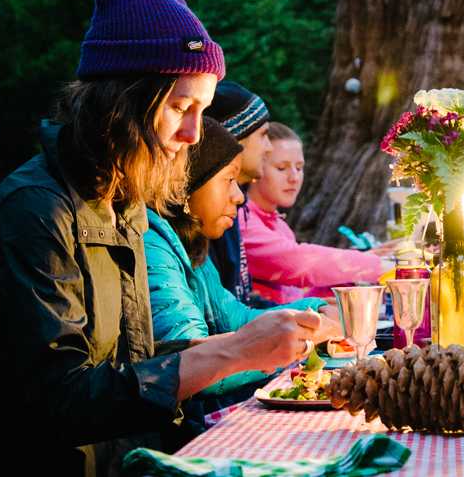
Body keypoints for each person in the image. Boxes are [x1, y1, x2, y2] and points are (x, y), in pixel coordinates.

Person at [0, 0, 327, 477]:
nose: (193, 135)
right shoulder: (36, 210)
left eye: (202, 111)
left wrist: (274, 334)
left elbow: (144, 357)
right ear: (122, 102)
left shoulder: (124, 205)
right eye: (180, 107)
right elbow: (64, 397)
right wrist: (235, 350)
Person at [144, 117, 338, 425]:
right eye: (228, 179)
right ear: (187, 183)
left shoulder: (192, 250)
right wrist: (288, 346)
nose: (239, 196)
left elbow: (235, 318)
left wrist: (314, 312)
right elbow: (193, 369)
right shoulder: (152, 246)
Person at [241, 122, 388, 305]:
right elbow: (296, 263)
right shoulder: (241, 220)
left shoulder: (280, 225)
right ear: (255, 167)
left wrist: (351, 277)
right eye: (281, 168)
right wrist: (378, 265)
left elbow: (295, 297)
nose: (294, 178)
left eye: (299, 167)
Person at [203, 80, 272, 304]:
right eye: (263, 135)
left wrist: (310, 311)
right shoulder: (205, 219)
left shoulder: (234, 205)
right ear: (234, 141)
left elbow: (240, 304)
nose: (269, 148)